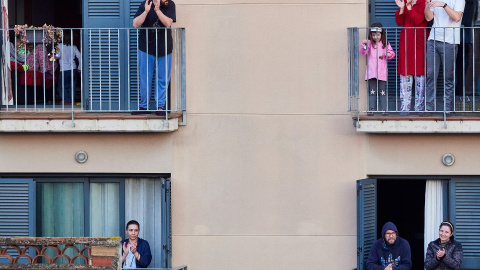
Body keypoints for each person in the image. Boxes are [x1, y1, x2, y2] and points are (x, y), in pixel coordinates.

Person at [132, 0, 176, 115]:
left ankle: (160, 107)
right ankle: (143, 106)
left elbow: (168, 23)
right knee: (145, 78)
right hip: (146, 47)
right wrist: (146, 11)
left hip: (164, 48)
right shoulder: (146, 3)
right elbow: (135, 24)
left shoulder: (170, 4)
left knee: (162, 79)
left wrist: (157, 10)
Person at [424, 0, 465, 114]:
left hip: (450, 42)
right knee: (431, 75)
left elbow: (457, 17)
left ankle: (448, 108)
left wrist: (444, 5)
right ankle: (429, 107)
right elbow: (428, 18)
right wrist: (427, 4)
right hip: (433, 40)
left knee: (448, 77)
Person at [395, 0, 428, 116]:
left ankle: (420, 107)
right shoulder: (404, 2)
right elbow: (399, 22)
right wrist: (402, 8)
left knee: (421, 75)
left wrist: (409, 7)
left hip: (420, 42)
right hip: (406, 42)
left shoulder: (424, 3)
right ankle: (405, 107)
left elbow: (419, 20)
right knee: (405, 74)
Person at [360, 23, 395, 116]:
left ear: (381, 34)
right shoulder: (370, 44)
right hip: (371, 72)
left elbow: (391, 53)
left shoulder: (385, 44)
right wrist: (364, 44)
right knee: (372, 91)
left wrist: (389, 54)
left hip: (381, 72)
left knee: (382, 91)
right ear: (371, 35)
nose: (376, 37)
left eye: (378, 35)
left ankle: (384, 109)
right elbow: (363, 51)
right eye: (374, 35)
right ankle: (371, 109)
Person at [55, 30, 81, 105]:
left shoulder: (59, 46)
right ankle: (71, 99)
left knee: (61, 86)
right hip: (73, 68)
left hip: (64, 69)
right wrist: (79, 68)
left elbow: (58, 56)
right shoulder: (74, 47)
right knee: (71, 85)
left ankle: (66, 100)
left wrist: (52, 55)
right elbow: (79, 57)